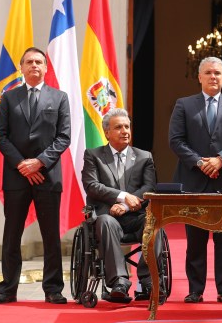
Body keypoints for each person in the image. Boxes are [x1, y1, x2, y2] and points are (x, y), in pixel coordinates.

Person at [0, 47, 71, 304]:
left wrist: (39, 163)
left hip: (47, 175)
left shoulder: (59, 97)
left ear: (45, 67)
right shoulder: (9, 97)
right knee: (12, 234)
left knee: (50, 236)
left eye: (38, 62)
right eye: (29, 62)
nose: (34, 65)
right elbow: (0, 136)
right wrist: (22, 165)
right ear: (22, 68)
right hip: (16, 177)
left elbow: (64, 137)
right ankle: (7, 289)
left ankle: (53, 289)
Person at [169, 56, 222, 304]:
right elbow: (176, 140)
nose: (213, 77)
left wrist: (220, 160)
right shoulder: (184, 105)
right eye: (208, 73)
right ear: (199, 77)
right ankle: (196, 290)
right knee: (195, 241)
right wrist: (200, 162)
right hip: (194, 183)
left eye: (217, 73)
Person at [82, 108, 156, 301]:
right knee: (106, 222)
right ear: (107, 132)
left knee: (155, 222)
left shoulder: (144, 156)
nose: (125, 131)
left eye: (127, 127)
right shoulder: (93, 155)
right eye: (118, 127)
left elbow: (149, 187)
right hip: (107, 217)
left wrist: (125, 205)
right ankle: (119, 282)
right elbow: (92, 186)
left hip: (136, 216)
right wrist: (122, 196)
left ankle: (148, 280)